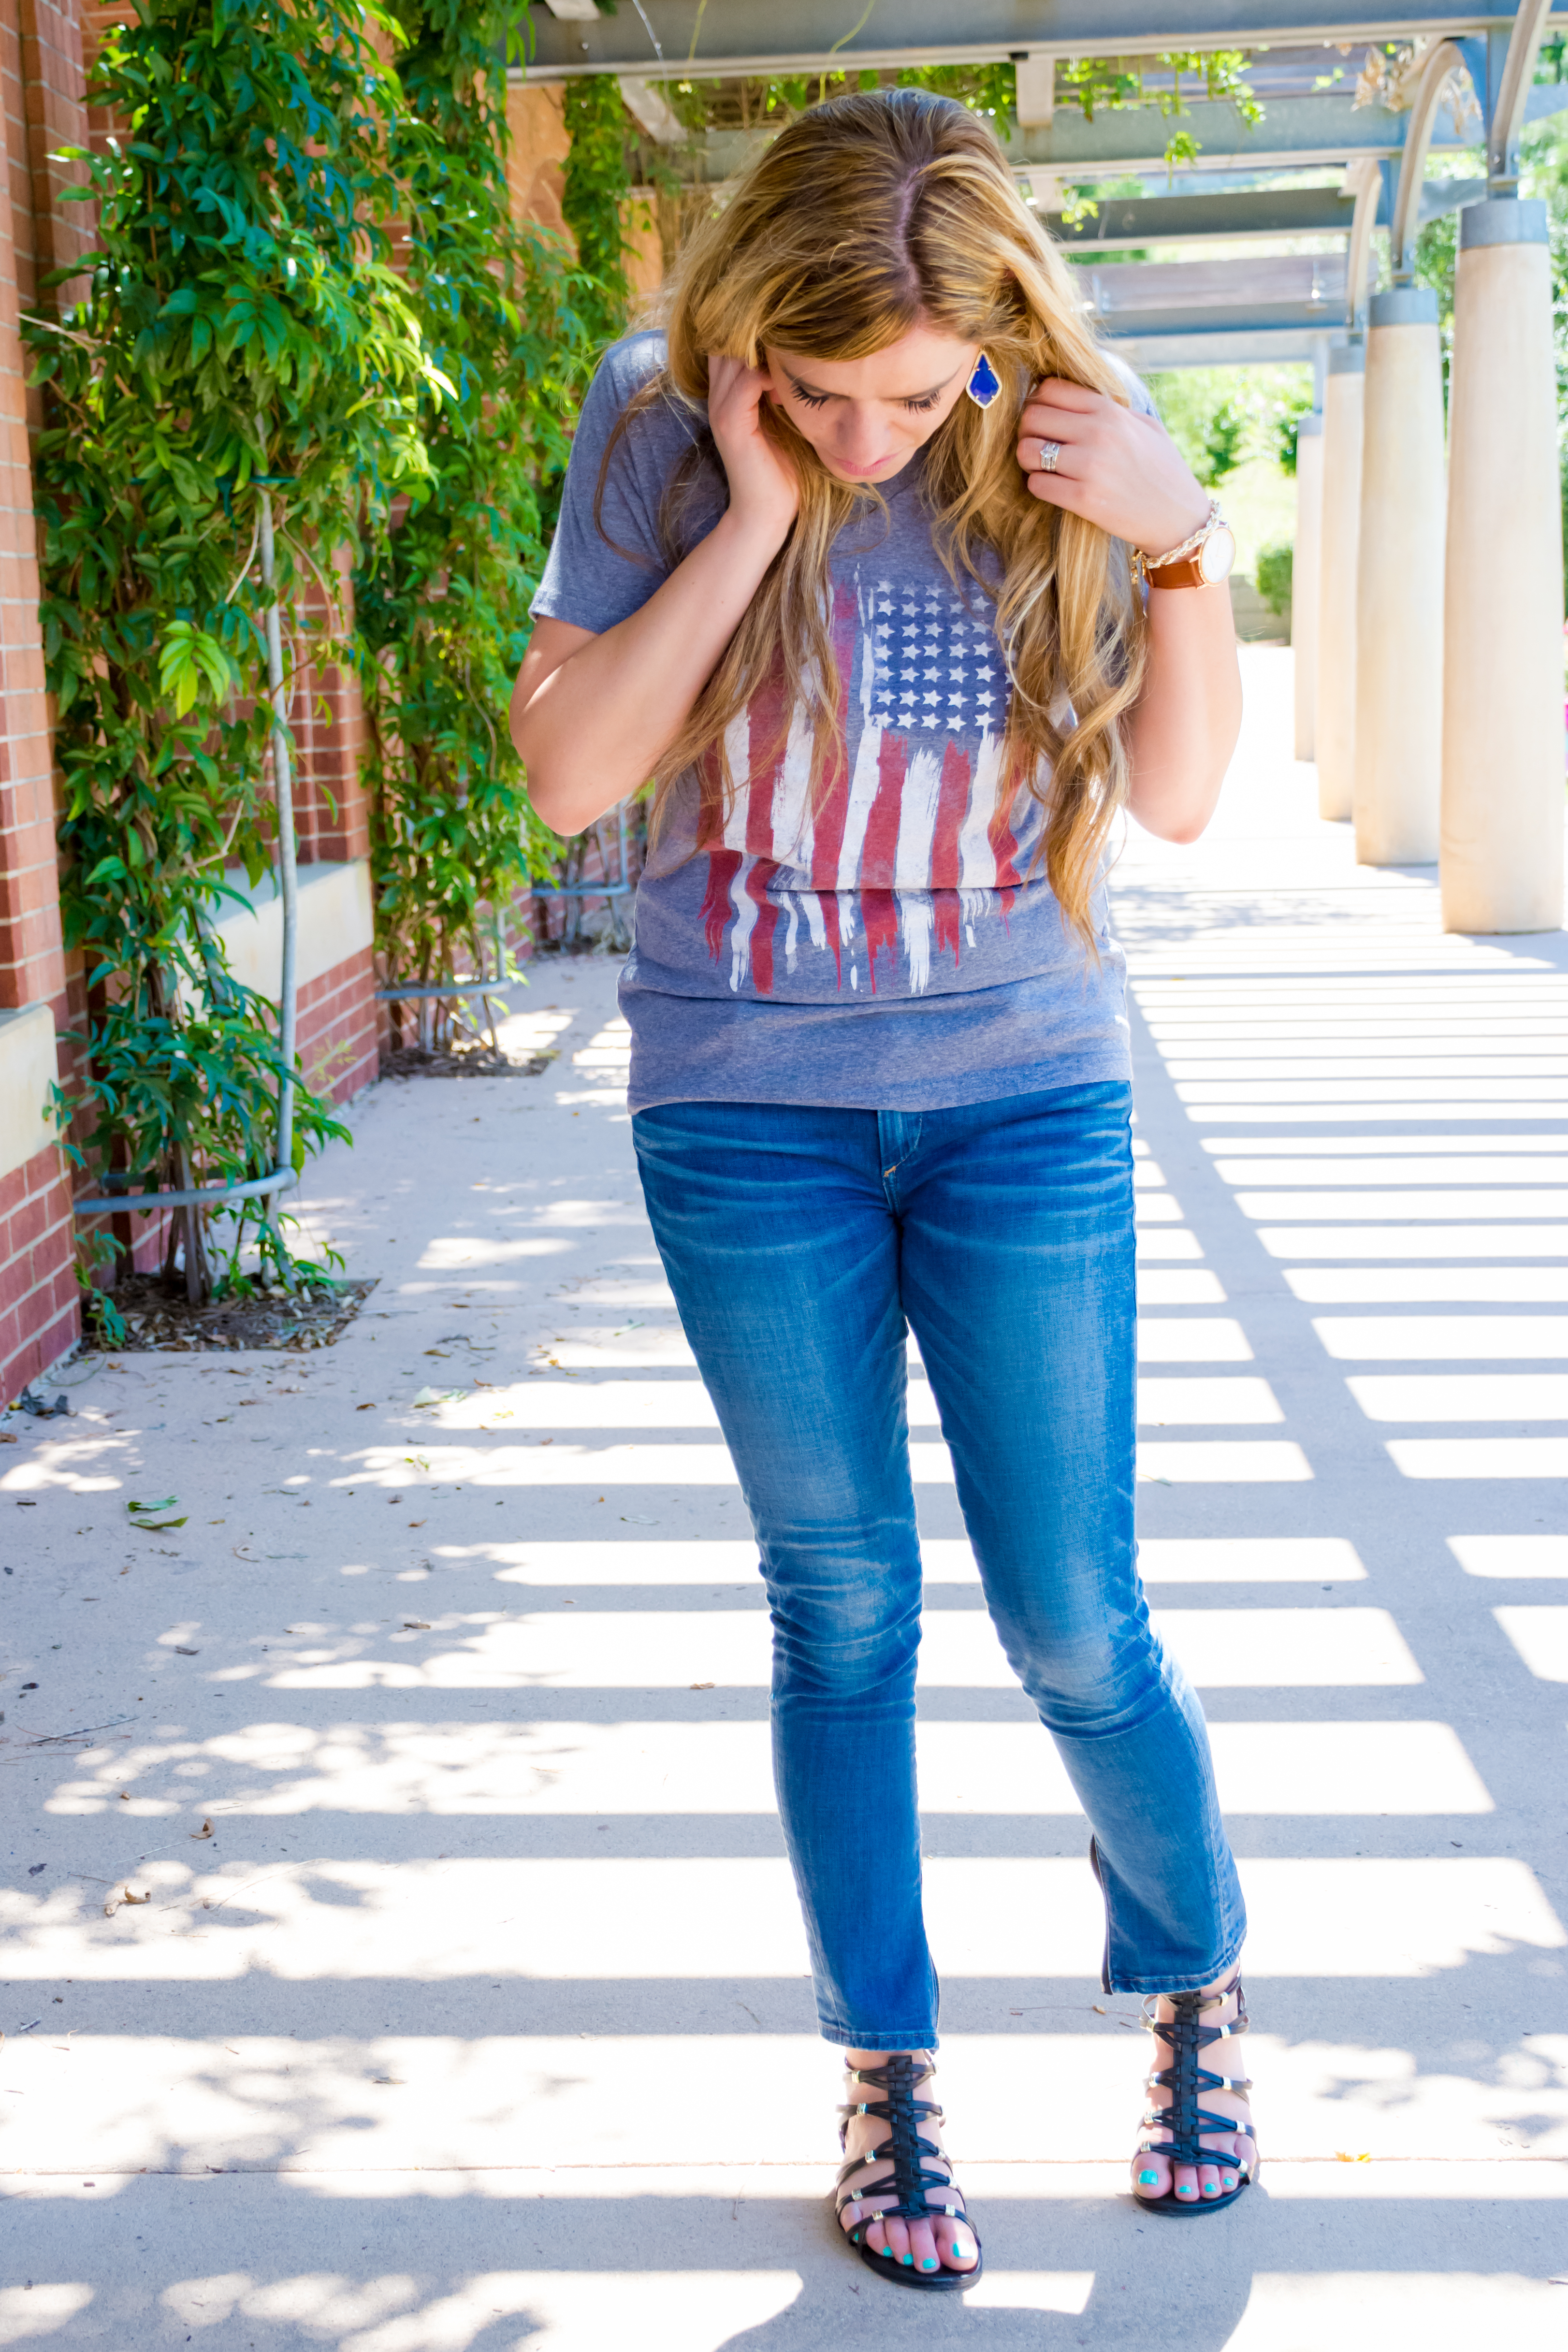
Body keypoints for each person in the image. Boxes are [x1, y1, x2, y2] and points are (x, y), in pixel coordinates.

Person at [512, 87, 1252, 2292]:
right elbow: (568, 772)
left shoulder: (1069, 439)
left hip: (1021, 1086)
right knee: (840, 1601)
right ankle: (888, 2073)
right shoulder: (664, 419)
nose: (862, 431)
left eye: (908, 393)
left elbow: (1190, 797)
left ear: (993, 337)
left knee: (1068, 1611)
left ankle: (1195, 1978)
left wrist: (1184, 531)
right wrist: (742, 510)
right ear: (758, 336)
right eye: (817, 386)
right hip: (744, 1100)